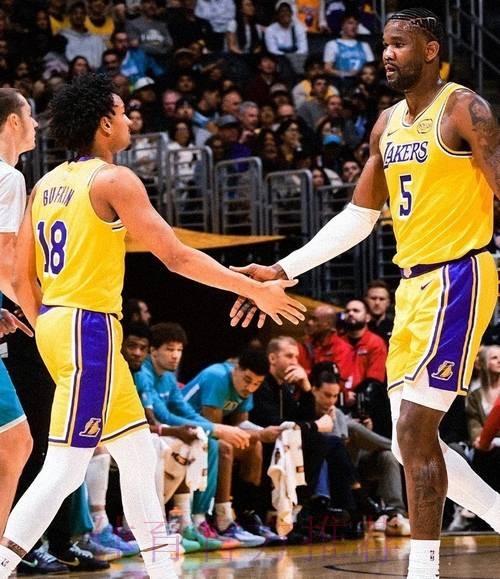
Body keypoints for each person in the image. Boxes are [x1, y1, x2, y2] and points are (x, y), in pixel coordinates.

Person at [230, 8, 500, 579]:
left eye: (399, 44)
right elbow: (357, 217)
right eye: (384, 44)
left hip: (459, 274)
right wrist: (282, 268)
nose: (387, 54)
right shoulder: (385, 124)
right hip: (413, 285)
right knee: (406, 445)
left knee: (414, 433)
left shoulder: (463, 108)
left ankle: (422, 570)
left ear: (430, 49)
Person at [0, 73, 305, 579]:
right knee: (65, 466)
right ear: (104, 123)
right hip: (88, 328)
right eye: (123, 112)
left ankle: (164, 568)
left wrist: (50, 326)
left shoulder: (45, 185)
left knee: (138, 451)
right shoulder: (113, 179)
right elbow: (176, 256)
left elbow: (19, 277)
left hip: (61, 323)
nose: (130, 120)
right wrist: (251, 288)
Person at [0, 88, 37, 536]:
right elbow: (5, 263)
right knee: (15, 442)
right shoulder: (8, 178)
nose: (36, 124)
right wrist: (44, 317)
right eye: (30, 115)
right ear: (13, 121)